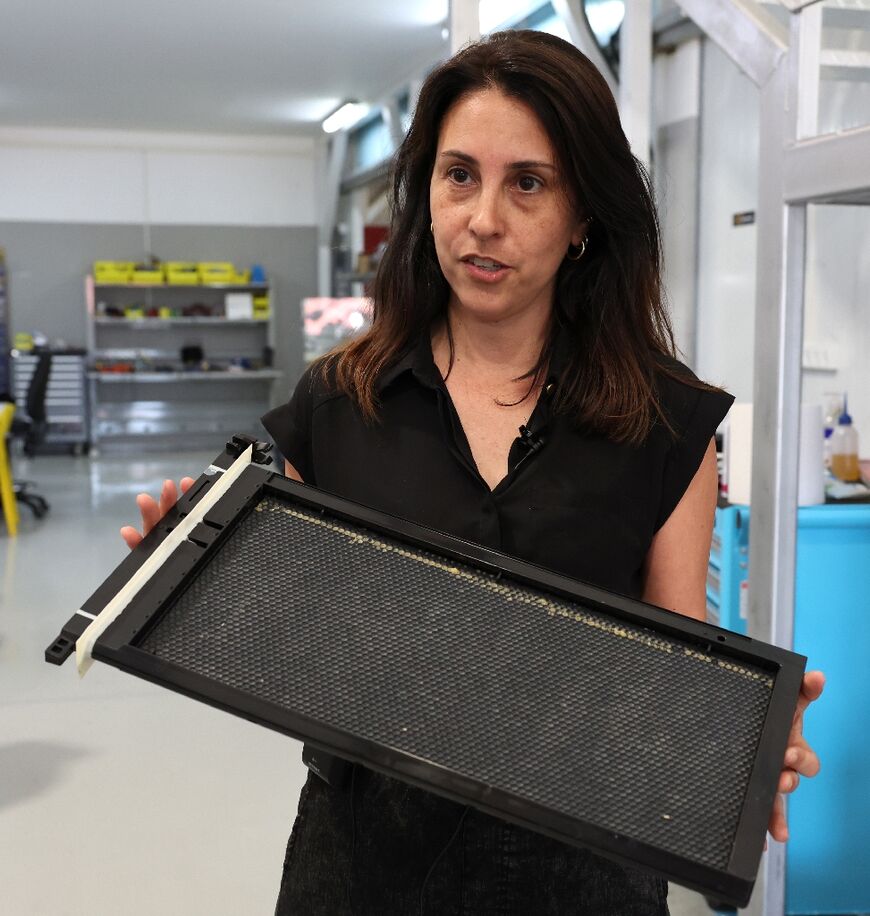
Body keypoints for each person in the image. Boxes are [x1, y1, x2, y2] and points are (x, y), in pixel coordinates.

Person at [122, 29, 823, 916]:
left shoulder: (667, 424)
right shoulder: (339, 403)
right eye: (459, 176)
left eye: (527, 182)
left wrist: (739, 739)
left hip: (581, 881)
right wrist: (190, 581)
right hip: (363, 870)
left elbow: (670, 684)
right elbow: (291, 635)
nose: (483, 218)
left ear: (583, 219)